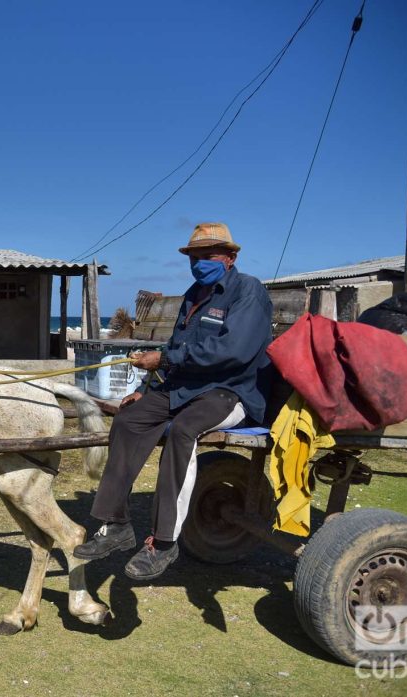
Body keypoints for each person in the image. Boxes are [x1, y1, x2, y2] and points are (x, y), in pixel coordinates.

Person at [73, 222, 273, 581]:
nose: (199, 264)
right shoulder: (194, 295)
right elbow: (176, 349)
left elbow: (233, 351)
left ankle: (164, 542)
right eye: (194, 257)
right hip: (183, 388)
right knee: (128, 418)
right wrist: (148, 389)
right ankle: (115, 525)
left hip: (230, 391)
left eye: (207, 256)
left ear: (230, 257)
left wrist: (163, 361)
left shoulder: (248, 291)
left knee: (184, 430)